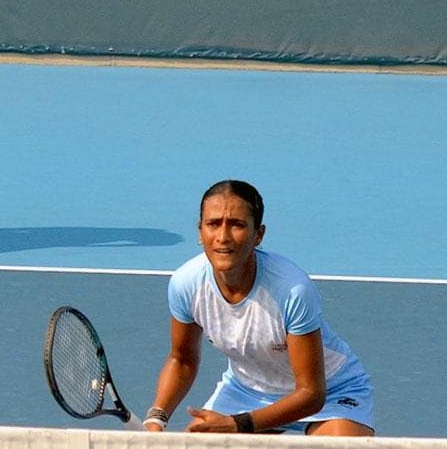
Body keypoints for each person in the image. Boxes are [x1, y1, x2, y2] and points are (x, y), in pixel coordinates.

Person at [142, 180, 374, 436]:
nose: (223, 237)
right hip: (246, 391)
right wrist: (157, 417)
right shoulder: (186, 284)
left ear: (258, 235)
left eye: (237, 225)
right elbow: (182, 359)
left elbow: (311, 393)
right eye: (213, 224)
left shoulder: (292, 289)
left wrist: (239, 424)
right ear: (200, 232)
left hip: (331, 393)